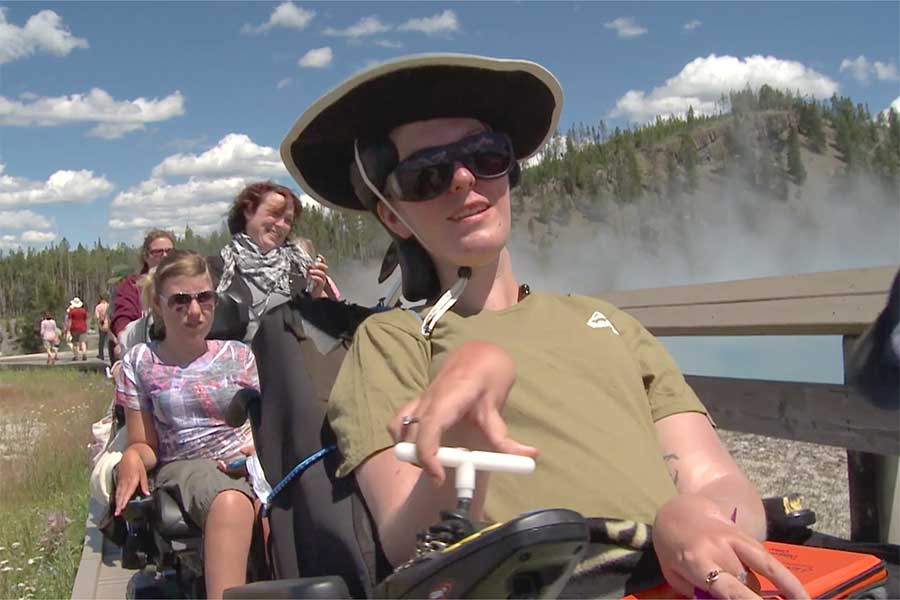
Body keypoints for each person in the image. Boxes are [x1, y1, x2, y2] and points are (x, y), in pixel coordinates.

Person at [280, 54, 808, 599]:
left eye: (484, 156)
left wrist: (694, 517)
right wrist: (467, 436)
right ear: (394, 216)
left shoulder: (607, 323)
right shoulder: (393, 341)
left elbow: (717, 480)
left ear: (507, 172)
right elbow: (409, 544)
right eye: (426, 175)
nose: (463, 179)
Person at [113, 250, 259, 599]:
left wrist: (258, 448)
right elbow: (145, 444)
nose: (195, 311)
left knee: (286, 505)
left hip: (251, 461)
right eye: (180, 301)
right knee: (230, 501)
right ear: (158, 304)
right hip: (188, 464)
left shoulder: (240, 355)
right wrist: (132, 456)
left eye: (204, 298)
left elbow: (265, 421)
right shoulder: (141, 361)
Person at [208, 181, 333, 343]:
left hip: (295, 356)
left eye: (288, 220)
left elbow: (331, 330)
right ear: (248, 211)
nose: (281, 225)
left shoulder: (302, 268)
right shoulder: (214, 269)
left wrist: (316, 297)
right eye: (274, 214)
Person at [110, 229, 175, 361]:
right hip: (145, 350)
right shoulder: (132, 286)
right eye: (157, 252)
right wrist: (124, 340)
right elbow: (123, 316)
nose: (164, 256)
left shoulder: (185, 282)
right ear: (146, 256)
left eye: (169, 251)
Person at [65, 297, 88, 361]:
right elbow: (85, 319)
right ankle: (84, 353)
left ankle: (76, 356)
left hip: (74, 328)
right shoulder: (83, 311)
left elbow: (70, 321)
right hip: (83, 328)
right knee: (83, 342)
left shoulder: (71, 311)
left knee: (75, 342)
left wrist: (68, 329)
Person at [94, 293, 110, 361]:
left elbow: (97, 317)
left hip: (102, 325)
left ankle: (101, 355)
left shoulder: (98, 307)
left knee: (101, 341)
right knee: (110, 340)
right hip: (109, 325)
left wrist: (99, 323)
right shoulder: (109, 306)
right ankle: (111, 354)